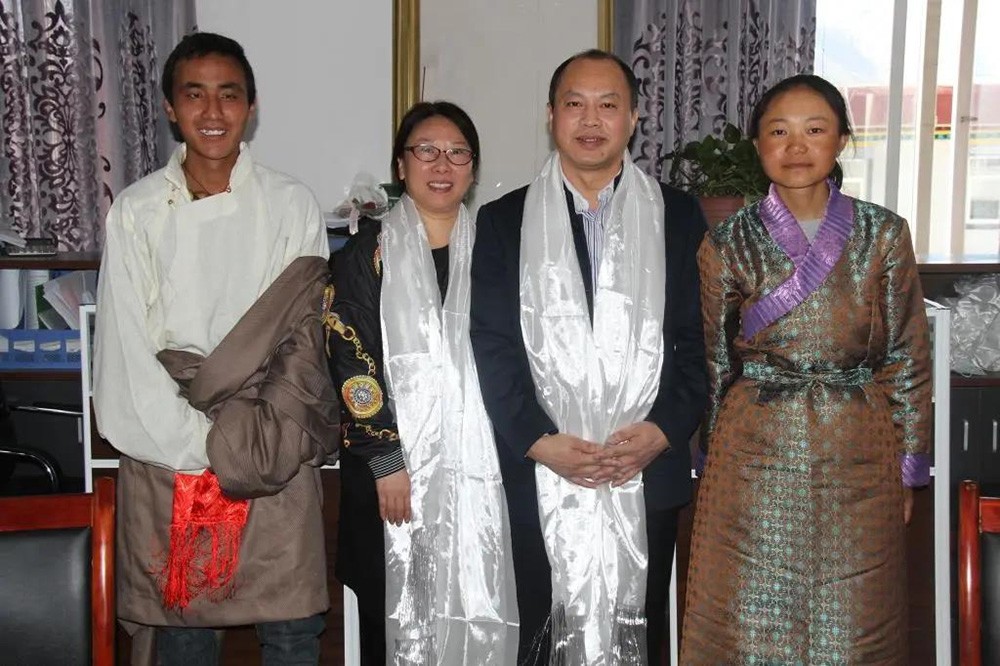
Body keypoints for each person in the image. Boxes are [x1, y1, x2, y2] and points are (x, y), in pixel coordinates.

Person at [93, 32, 337, 665]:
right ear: (170, 108)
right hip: (169, 431)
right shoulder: (137, 210)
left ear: (251, 107)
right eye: (194, 94)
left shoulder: (290, 203)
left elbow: (303, 338)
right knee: (185, 628)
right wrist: (194, 443)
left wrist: (257, 438)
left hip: (271, 432)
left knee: (291, 625)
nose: (212, 112)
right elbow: (124, 342)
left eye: (229, 95)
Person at [680, 74, 931, 664]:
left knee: (855, 617)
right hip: (753, 449)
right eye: (779, 132)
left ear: (841, 139)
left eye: (815, 130)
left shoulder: (884, 234)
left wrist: (908, 466)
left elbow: (905, 356)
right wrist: (710, 461)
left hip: (859, 445)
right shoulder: (727, 241)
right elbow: (716, 362)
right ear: (758, 145)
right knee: (750, 616)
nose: (796, 146)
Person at [469, 49, 708, 665]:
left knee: (638, 631)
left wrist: (663, 431)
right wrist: (538, 440)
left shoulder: (678, 216)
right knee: (541, 633)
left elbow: (700, 340)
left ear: (634, 118)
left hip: (644, 469)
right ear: (551, 115)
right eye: (575, 104)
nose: (591, 119)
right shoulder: (504, 222)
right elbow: (492, 347)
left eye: (608, 104)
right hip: (541, 470)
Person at [327, 101, 518, 665]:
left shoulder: (498, 251)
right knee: (395, 621)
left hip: (485, 474)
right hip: (389, 477)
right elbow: (351, 360)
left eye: (458, 153)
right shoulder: (368, 252)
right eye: (426, 150)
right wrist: (387, 460)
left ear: (473, 169)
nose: (442, 165)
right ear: (401, 165)